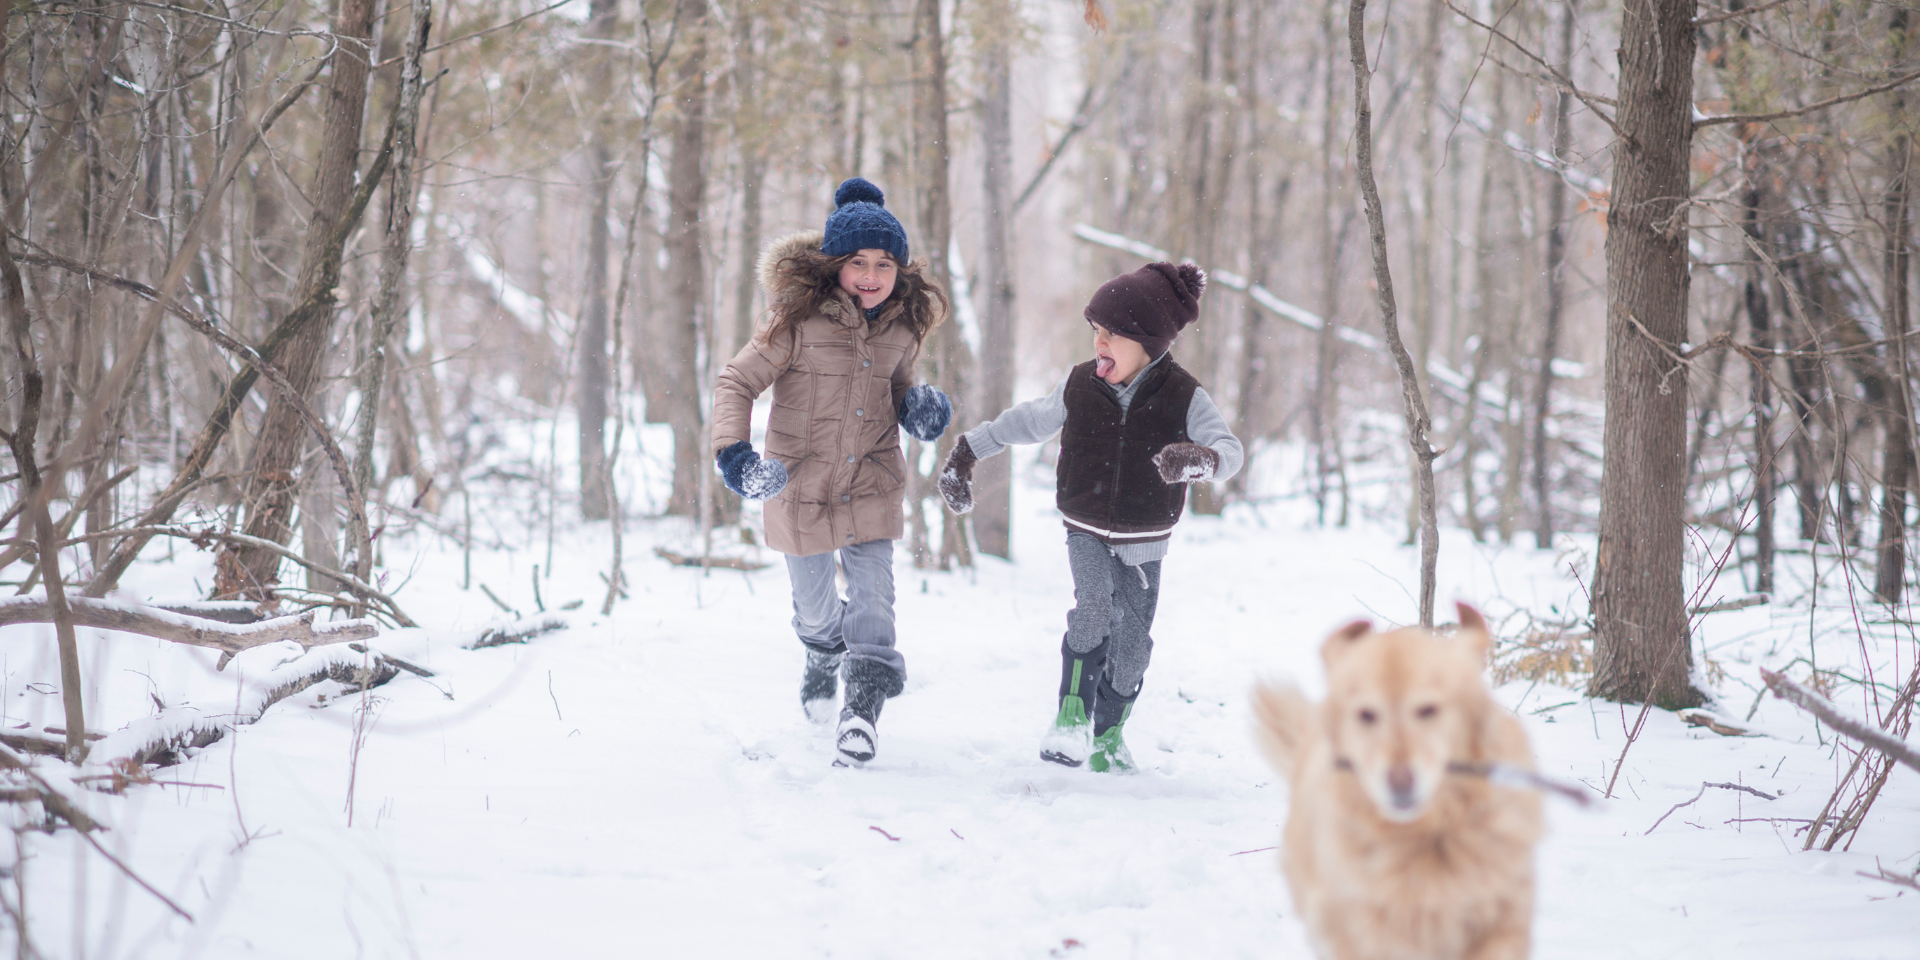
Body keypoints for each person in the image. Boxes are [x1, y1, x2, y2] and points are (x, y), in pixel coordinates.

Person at [938, 261, 1242, 772]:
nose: (1099, 342)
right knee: (1094, 607)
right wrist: (970, 448)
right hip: (1085, 527)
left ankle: (1108, 735)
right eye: (1095, 331)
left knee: (1133, 651)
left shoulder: (1185, 395)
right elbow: (1030, 420)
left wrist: (1201, 459)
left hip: (1145, 539)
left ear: (1148, 341)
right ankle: (1071, 718)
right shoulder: (1079, 384)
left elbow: (1230, 451)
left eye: (1112, 334)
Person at [710, 178, 951, 768]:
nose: (871, 275)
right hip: (800, 486)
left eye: (884, 263)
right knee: (818, 610)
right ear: (834, 265)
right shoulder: (794, 322)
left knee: (874, 604)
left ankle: (860, 713)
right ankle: (822, 651)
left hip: (871, 481)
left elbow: (898, 387)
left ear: (899, 270)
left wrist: (920, 408)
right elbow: (736, 381)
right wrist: (736, 455)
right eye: (858, 262)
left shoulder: (901, 326)